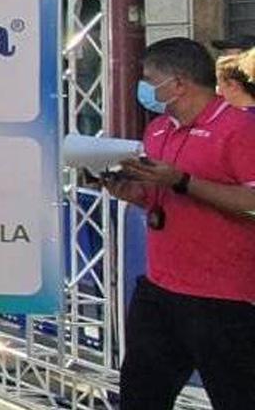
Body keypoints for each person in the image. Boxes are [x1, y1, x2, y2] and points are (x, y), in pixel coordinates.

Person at [98, 37, 255, 408]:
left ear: (179, 83)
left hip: (223, 298)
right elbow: (159, 197)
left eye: (150, 80)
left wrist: (182, 181)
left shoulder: (239, 128)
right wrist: (129, 191)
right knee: (140, 397)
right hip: (160, 288)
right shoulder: (158, 131)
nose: (146, 89)